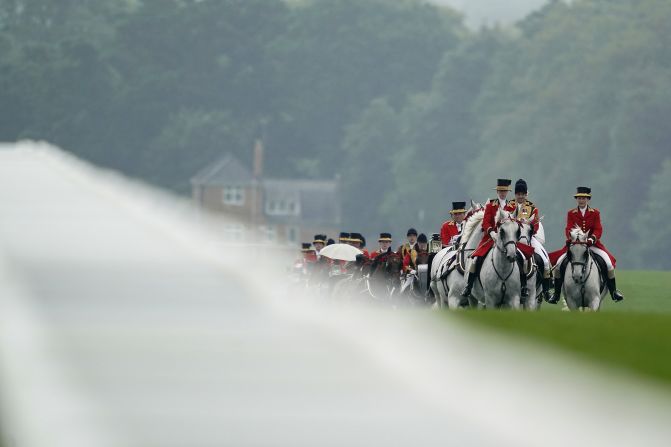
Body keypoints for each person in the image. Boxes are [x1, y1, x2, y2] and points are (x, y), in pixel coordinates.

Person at [548, 187, 624, 303]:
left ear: (588, 199)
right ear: (576, 199)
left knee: (608, 264)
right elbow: (568, 228)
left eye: (583, 198)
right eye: (579, 198)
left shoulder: (595, 213)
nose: (581, 200)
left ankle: (614, 292)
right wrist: (572, 237)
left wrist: (591, 239)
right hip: (575, 245)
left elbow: (598, 229)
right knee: (558, 265)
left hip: (592, 245)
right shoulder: (571, 213)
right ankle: (556, 294)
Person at [462, 179, 517, 297]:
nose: (502, 193)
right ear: (497, 191)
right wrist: (491, 232)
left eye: (504, 191)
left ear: (507, 192)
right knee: (476, 259)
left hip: (507, 239)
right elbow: (485, 222)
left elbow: (514, 223)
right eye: (500, 191)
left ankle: (523, 286)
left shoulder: (512, 206)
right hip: (490, 239)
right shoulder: (491, 204)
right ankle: (469, 285)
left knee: (522, 258)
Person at [512, 179, 552, 301]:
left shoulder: (532, 207)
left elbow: (536, 224)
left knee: (545, 261)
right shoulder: (509, 206)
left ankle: (546, 290)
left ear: (526, 194)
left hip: (529, 237)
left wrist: (529, 227)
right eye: (518, 194)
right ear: (515, 194)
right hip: (513, 238)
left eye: (522, 194)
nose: (520, 196)